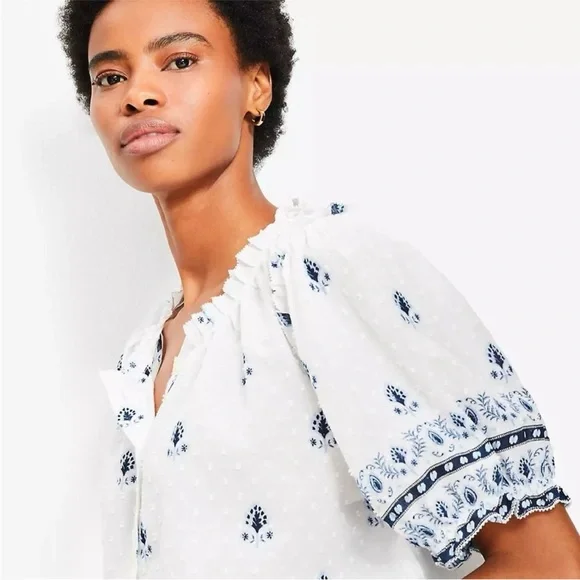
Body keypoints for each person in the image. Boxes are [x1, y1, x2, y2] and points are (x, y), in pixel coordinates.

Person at [57, 0, 580, 578]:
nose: (137, 94)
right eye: (111, 77)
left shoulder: (322, 269)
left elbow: (548, 561)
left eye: (179, 61)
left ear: (256, 87)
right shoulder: (146, 351)